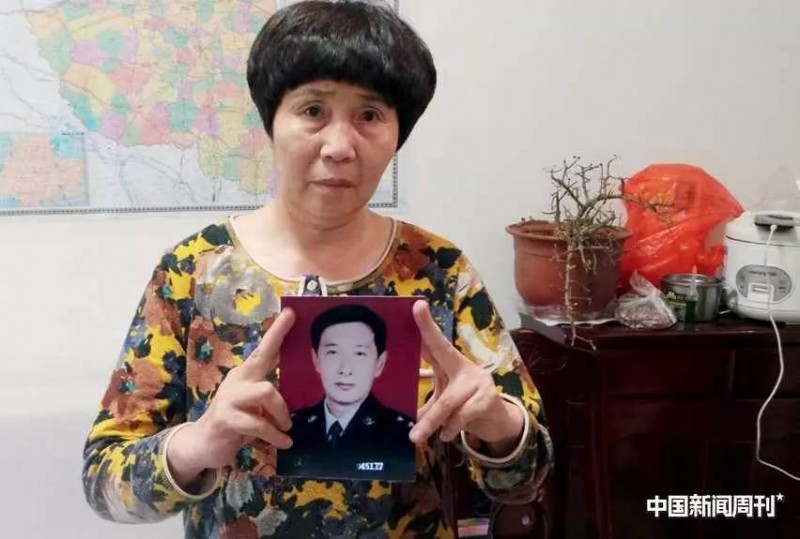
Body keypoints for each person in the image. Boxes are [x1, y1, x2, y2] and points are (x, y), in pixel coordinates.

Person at [82, 1, 553, 537]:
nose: (339, 147)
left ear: (397, 133)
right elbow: (104, 483)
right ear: (271, 121)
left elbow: (527, 481)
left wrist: (499, 426)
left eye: (369, 116)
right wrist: (197, 443)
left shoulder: (439, 271)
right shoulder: (193, 269)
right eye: (312, 110)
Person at [278, 303, 417, 480]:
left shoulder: (402, 434)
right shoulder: (292, 426)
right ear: (316, 360)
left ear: (379, 363)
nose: (345, 369)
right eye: (333, 352)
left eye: (359, 354)